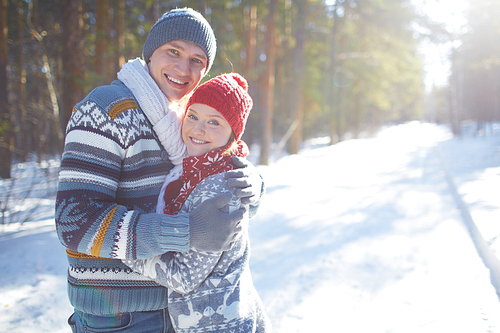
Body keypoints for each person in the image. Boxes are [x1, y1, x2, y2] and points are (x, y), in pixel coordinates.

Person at [55, 8, 263, 333]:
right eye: (174, 51)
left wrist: (251, 182)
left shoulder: (183, 120)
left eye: (197, 60)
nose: (183, 67)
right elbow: (74, 219)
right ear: (151, 52)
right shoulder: (106, 109)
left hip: (176, 310)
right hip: (121, 316)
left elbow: (212, 174)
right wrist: (183, 231)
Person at [123, 73, 270, 333]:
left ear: (232, 135)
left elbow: (184, 276)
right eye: (192, 116)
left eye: (214, 122)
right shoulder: (192, 173)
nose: (198, 129)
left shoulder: (220, 189)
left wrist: (127, 249)